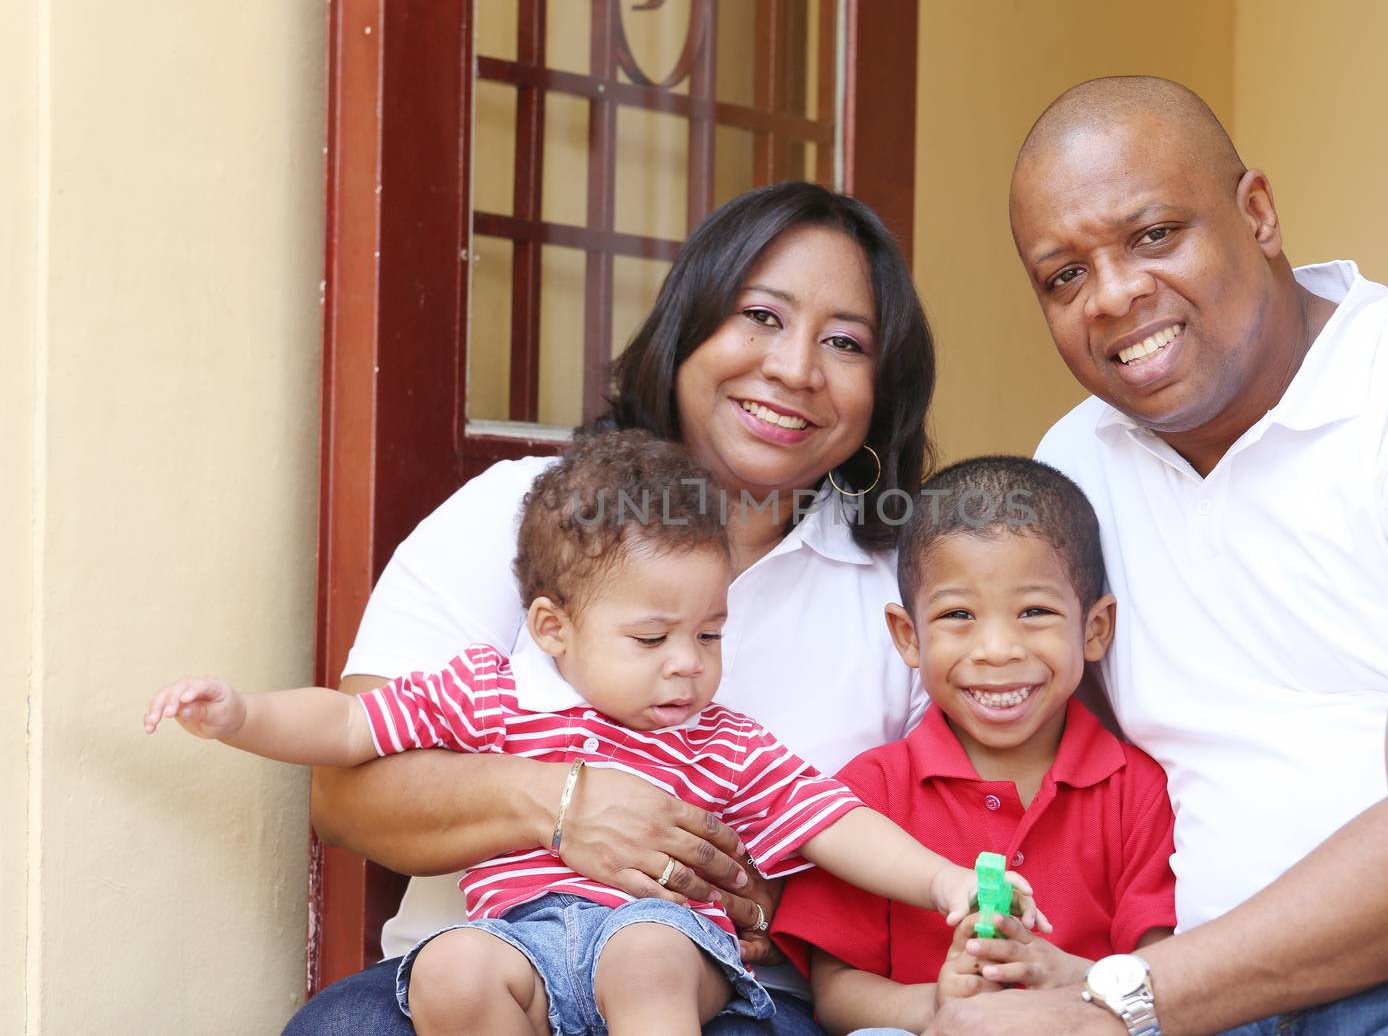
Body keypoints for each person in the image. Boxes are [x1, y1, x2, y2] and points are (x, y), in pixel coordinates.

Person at [926, 76, 1388, 1035]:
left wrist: (1117, 1002)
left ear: (1258, 212)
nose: (1115, 293)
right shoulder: (1077, 463)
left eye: (1154, 234)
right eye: (1064, 275)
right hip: (1199, 992)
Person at [284, 181, 938, 1035]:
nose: (794, 368)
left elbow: (951, 842)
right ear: (687, 324)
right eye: (761, 316)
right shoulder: (522, 512)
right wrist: (562, 805)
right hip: (479, 972)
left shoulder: (905, 587)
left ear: (882, 388)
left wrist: (785, 905)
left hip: (736, 992)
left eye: (846, 341)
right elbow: (345, 795)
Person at [146, 432, 1043, 1035]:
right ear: (553, 628)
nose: (688, 665)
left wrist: (943, 878)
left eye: (711, 634)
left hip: (664, 946)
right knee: (452, 968)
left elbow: (832, 821)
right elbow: (348, 724)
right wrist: (240, 716)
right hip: (519, 942)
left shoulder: (720, 739)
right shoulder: (491, 695)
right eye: (652, 640)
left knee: (645, 951)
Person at [769, 456, 1176, 1036]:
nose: (996, 649)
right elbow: (835, 992)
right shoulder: (869, 794)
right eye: (958, 615)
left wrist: (1068, 978)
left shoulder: (1137, 790)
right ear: (908, 636)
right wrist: (940, 1007)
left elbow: (1164, 971)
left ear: (1095, 629)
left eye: (1034, 612)